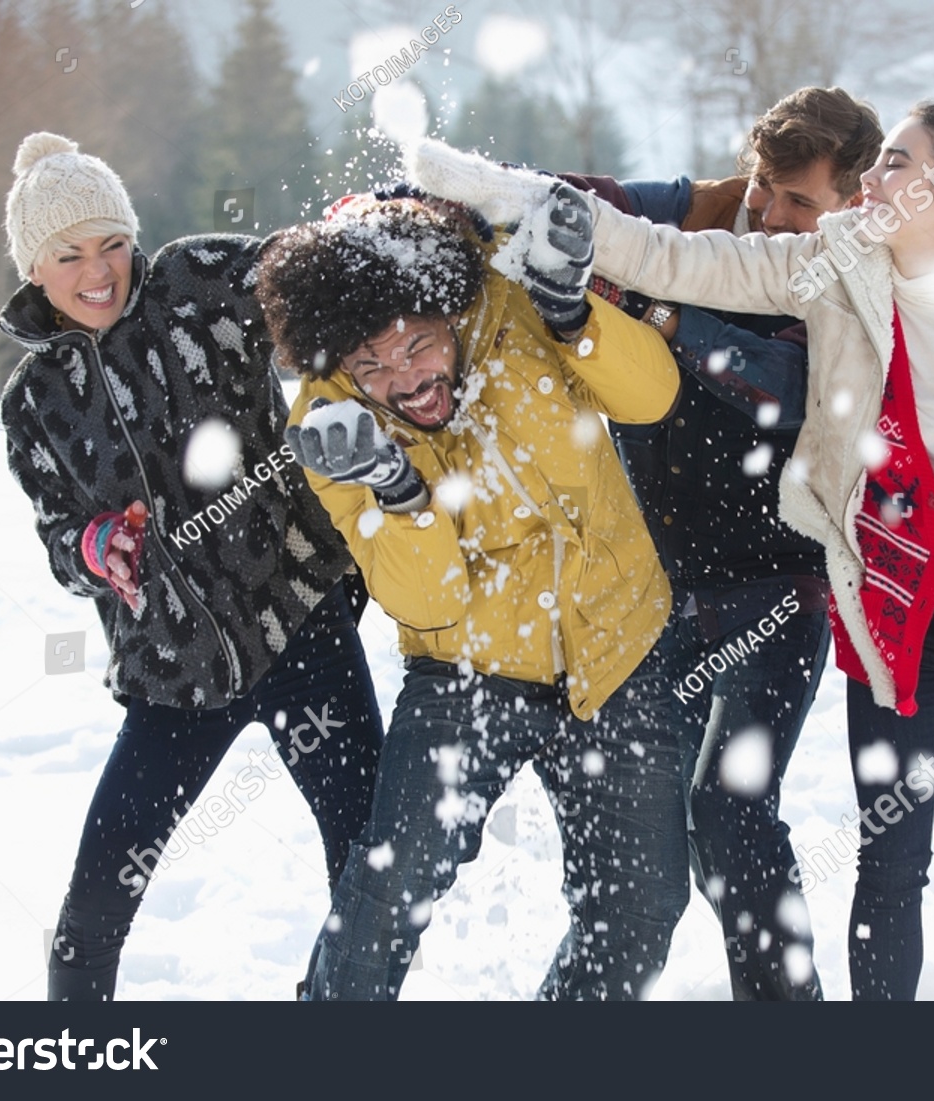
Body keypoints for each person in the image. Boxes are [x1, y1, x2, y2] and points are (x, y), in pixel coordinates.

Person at [408, 103, 934, 1001]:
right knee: (892, 860)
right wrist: (510, 194)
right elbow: (670, 254)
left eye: (896, 164)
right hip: (890, 618)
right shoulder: (834, 266)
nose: (871, 180)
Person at [256, 191, 693, 1000]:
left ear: (450, 310)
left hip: (614, 647)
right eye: (372, 365)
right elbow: (428, 603)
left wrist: (573, 318)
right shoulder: (331, 423)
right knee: (383, 905)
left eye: (418, 346)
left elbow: (653, 395)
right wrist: (397, 492)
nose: (404, 382)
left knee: (642, 908)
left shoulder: (519, 300)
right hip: (467, 668)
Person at [0, 132, 384, 1000]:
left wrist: (374, 221)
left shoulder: (195, 282)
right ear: (33, 268)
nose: (100, 271)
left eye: (111, 244)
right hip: (173, 673)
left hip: (298, 622)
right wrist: (100, 549)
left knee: (372, 874)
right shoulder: (34, 404)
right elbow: (61, 539)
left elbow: (308, 276)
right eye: (69, 255)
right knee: (91, 916)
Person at [553, 86, 883, 1000]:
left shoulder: (856, 276)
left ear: (851, 203)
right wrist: (453, 199)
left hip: (777, 582)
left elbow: (781, 383)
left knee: (731, 807)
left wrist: (656, 312)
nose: (770, 218)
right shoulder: (694, 210)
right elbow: (578, 196)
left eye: (800, 203)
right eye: (766, 188)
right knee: (630, 834)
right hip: (651, 586)